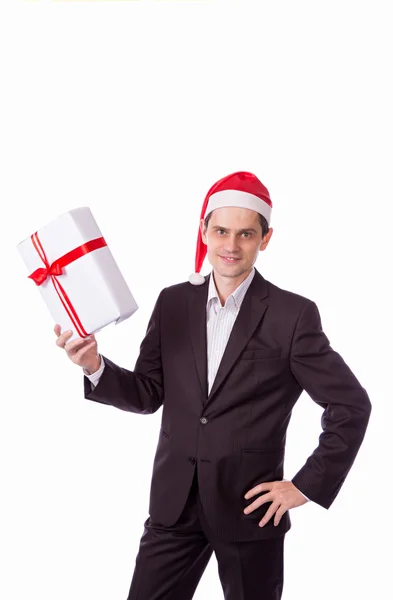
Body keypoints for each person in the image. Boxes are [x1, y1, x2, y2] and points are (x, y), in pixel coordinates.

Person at [54, 171, 371, 600]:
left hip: (249, 509)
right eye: (221, 231)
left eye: (246, 233)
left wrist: (305, 485)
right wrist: (95, 366)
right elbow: (149, 393)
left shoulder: (291, 315)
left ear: (266, 238)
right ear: (204, 231)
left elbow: (351, 405)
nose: (231, 245)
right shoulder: (172, 303)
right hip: (174, 503)